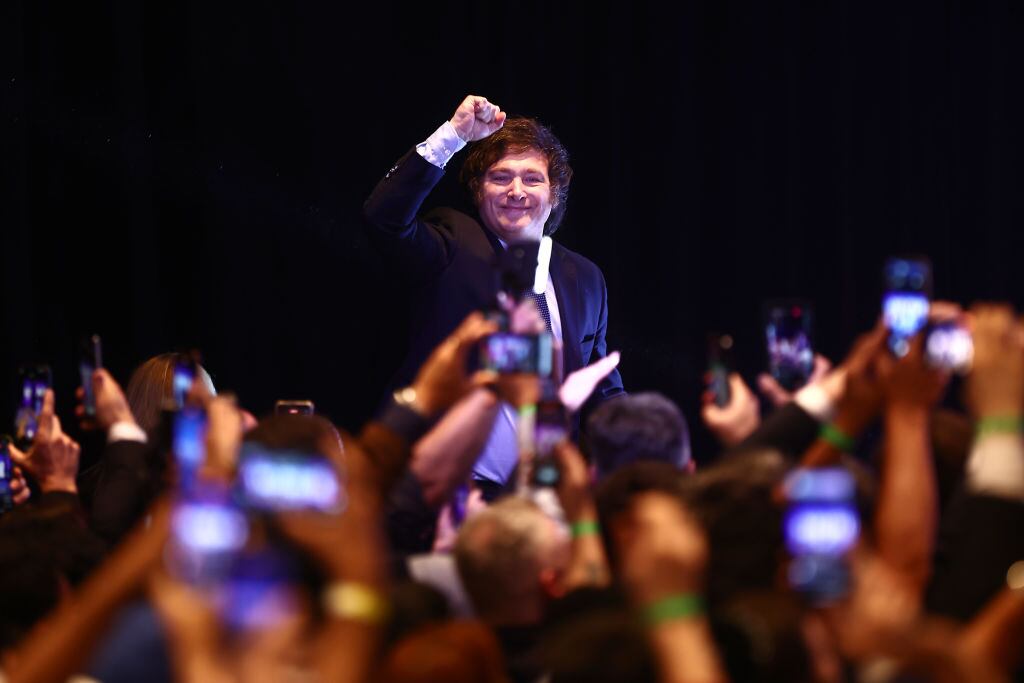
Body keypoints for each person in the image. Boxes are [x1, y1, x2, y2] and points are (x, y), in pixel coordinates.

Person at [363, 94, 624, 494]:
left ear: (554, 193)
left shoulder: (584, 277)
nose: (516, 190)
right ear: (478, 190)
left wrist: (642, 459)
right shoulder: (453, 243)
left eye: (532, 178)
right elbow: (384, 218)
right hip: (446, 492)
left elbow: (600, 388)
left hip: (542, 498)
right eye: (500, 177)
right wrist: (453, 136)